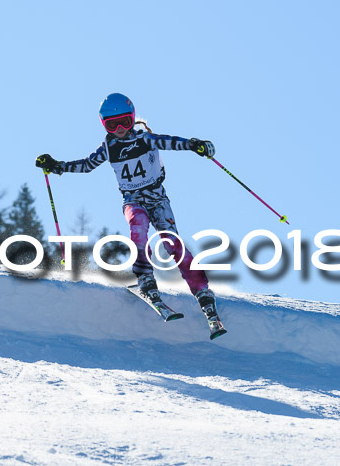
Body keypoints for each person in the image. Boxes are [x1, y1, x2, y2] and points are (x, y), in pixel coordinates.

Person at [35, 92, 225, 337]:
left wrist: (195, 145)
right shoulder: (108, 147)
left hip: (157, 199)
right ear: (104, 125)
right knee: (138, 226)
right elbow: (86, 165)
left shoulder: (146, 139)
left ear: (132, 119)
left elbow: (172, 142)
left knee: (172, 244)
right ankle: (145, 278)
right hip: (132, 200)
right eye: (112, 125)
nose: (120, 129)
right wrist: (57, 166)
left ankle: (202, 292)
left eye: (124, 122)